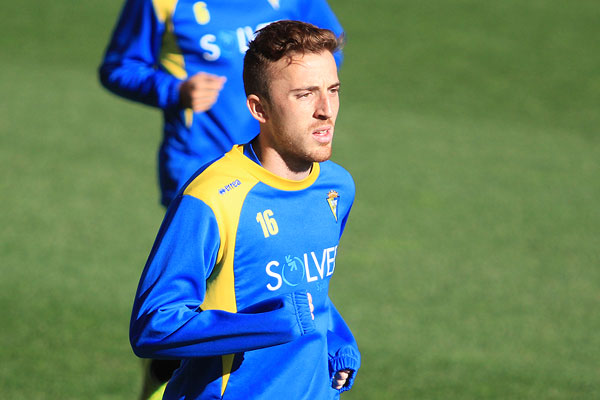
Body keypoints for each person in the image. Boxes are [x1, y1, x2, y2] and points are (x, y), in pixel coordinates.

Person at [129, 20, 360, 399]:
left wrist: (337, 341)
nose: (326, 110)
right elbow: (154, 325)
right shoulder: (212, 198)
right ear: (259, 108)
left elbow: (305, 291)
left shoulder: (336, 187)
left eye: (333, 90)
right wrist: (270, 326)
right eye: (304, 95)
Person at [99, 0, 344, 208]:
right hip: (201, 163)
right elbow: (120, 67)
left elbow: (329, 48)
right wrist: (175, 90)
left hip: (279, 160)